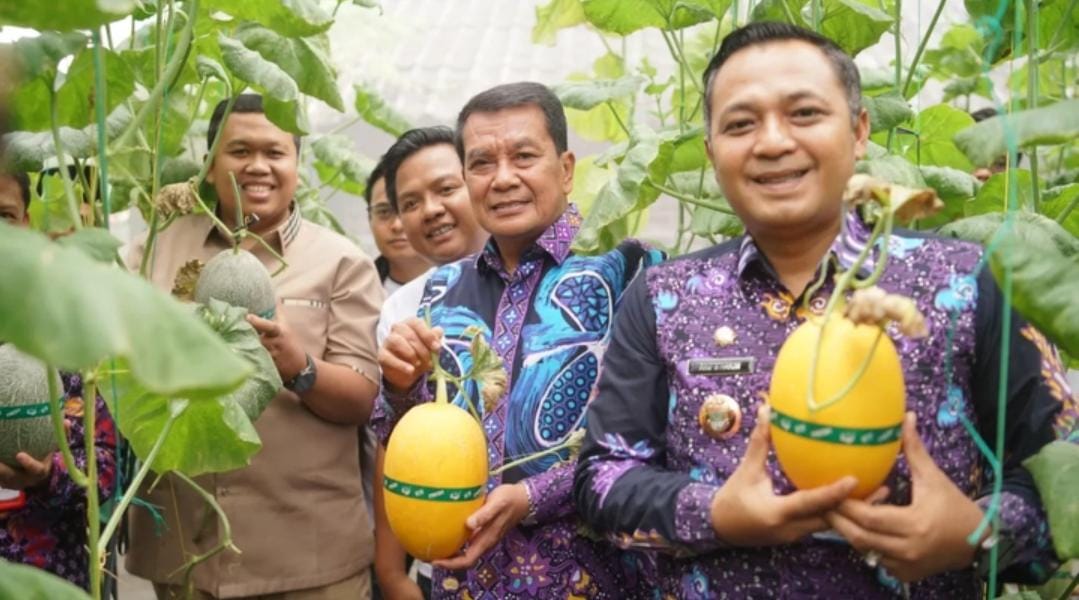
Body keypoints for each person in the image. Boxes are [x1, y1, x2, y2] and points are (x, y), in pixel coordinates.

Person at [574, 22, 1075, 599]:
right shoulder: (662, 298)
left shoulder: (969, 281)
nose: (772, 142)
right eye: (740, 124)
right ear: (712, 153)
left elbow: (1062, 466)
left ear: (859, 130)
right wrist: (714, 513)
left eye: (804, 114)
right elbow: (603, 479)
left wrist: (977, 532)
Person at [372, 82, 663, 599]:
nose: (503, 178)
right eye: (482, 163)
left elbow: (655, 434)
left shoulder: (631, 272)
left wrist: (533, 496)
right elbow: (410, 441)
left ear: (566, 168)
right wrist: (399, 387)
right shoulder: (440, 291)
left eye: (524, 156)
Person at [125, 94, 384, 599]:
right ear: (209, 163)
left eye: (275, 152)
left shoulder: (341, 262)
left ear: (297, 164)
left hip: (309, 558)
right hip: (185, 556)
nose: (258, 166)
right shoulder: (152, 252)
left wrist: (298, 366)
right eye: (240, 151)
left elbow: (362, 399)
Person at [371, 125, 488, 600]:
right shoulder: (402, 310)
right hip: (440, 564)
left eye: (445, 189)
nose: (431, 210)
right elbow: (396, 443)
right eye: (411, 202)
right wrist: (392, 572)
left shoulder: (567, 284)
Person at [0, 170, 118, 591]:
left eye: (4, 216)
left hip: (50, 579)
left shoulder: (64, 332)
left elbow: (106, 469)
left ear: (26, 223)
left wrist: (50, 473)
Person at [364, 163, 430, 293]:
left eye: (409, 206)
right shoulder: (354, 289)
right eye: (384, 212)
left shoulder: (466, 282)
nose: (397, 225)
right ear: (369, 218)